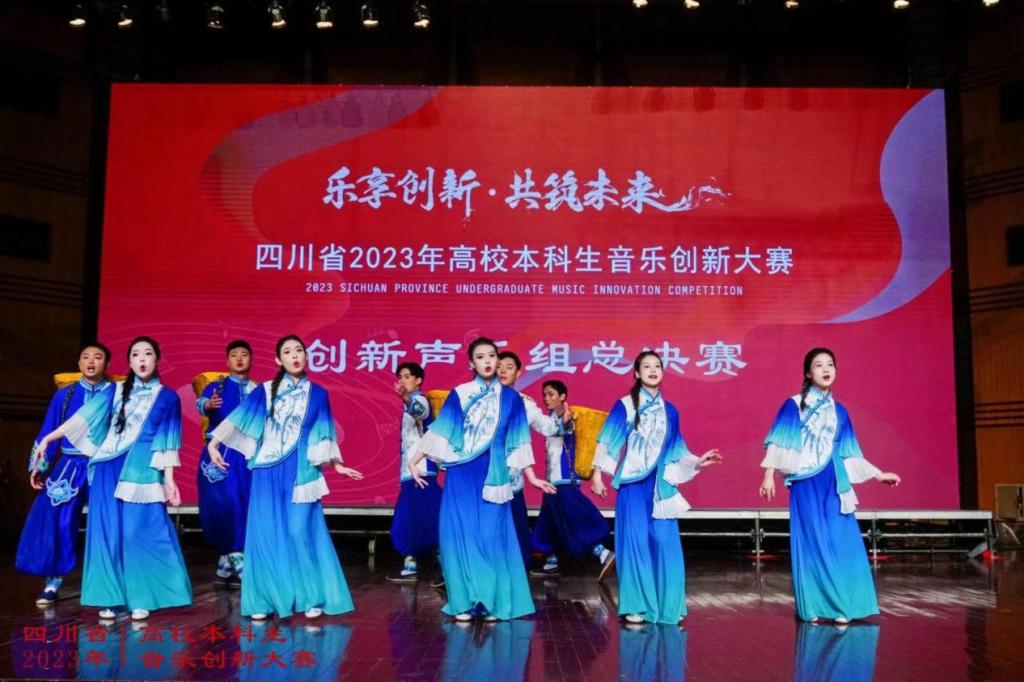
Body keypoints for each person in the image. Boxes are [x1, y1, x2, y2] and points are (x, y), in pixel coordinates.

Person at [33, 336, 192, 621]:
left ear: (157, 359)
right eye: (136, 354)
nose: (142, 359)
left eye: (147, 354)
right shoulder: (115, 391)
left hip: (143, 470)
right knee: (108, 534)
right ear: (129, 361)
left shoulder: (168, 397)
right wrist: (49, 439)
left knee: (138, 533)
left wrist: (169, 479)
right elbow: (82, 419)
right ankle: (112, 598)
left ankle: (141, 597)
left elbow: (168, 441)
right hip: (108, 468)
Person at [207, 334, 363, 620]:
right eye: (288, 352)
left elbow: (323, 432)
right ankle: (264, 600)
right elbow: (241, 420)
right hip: (267, 471)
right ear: (279, 359)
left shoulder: (318, 393)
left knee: (298, 531)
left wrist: (337, 464)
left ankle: (311, 596)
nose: (295, 355)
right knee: (266, 535)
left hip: (302, 471)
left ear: (306, 356)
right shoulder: (265, 390)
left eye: (299, 350)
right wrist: (214, 444)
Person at [409, 337, 552, 621]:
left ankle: (490, 601)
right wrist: (414, 460)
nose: (487, 361)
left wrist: (532, 476)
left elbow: (519, 440)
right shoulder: (460, 393)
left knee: (491, 535)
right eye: (480, 357)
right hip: (462, 473)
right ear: (471, 363)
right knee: (462, 535)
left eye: (491, 356)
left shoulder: (512, 399)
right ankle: (465, 602)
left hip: (494, 473)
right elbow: (443, 429)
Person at [759, 347, 901, 623]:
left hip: (835, 480)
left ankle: (843, 604)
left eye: (830, 364)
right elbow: (779, 442)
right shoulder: (794, 404)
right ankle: (815, 606)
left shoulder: (841, 412)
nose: (826, 369)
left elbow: (849, 453)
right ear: (807, 373)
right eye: (818, 365)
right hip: (805, 481)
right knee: (813, 541)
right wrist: (768, 475)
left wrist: (878, 474)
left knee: (841, 539)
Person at [592, 351, 722, 624]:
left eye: (657, 366)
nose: (653, 370)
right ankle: (637, 607)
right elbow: (609, 441)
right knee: (635, 542)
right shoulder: (625, 405)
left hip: (661, 485)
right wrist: (597, 474)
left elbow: (677, 449)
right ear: (636, 373)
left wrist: (698, 462)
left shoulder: (670, 411)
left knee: (665, 541)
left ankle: (669, 607)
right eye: (646, 366)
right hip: (632, 484)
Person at [17, 343, 115, 605]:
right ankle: (52, 581)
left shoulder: (115, 394)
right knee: (56, 518)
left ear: (107, 364)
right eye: (86, 357)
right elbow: (48, 430)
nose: (91, 361)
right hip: (69, 465)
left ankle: (109, 583)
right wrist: (38, 466)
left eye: (98, 357)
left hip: (104, 465)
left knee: (109, 520)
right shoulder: (65, 396)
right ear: (79, 363)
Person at [529, 379, 614, 581]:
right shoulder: (551, 418)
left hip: (564, 479)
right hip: (552, 480)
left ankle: (602, 552)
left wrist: (566, 421)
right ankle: (551, 562)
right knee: (550, 519)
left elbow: (567, 427)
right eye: (545, 395)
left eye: (551, 394)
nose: (547, 398)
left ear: (562, 397)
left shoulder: (570, 415)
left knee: (575, 518)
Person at [195, 339, 257, 583]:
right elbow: (200, 404)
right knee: (223, 502)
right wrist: (209, 404)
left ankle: (231, 556)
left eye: (244, 354)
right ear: (227, 360)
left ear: (251, 359)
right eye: (234, 355)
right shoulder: (216, 387)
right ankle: (232, 551)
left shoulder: (257, 389)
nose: (239, 358)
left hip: (247, 454)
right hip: (218, 452)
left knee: (245, 502)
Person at [386, 361, 442, 584]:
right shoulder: (409, 403)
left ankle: (444, 566)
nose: (403, 380)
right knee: (410, 518)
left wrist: (406, 398)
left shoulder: (420, 400)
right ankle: (411, 564)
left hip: (422, 471)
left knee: (429, 518)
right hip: (410, 473)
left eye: (407, 376)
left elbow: (420, 411)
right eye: (400, 376)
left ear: (418, 380)